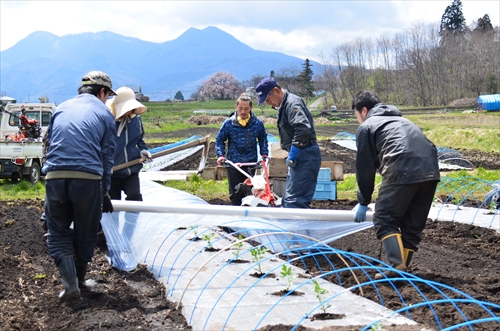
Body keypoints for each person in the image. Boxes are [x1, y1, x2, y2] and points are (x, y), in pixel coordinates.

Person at [43, 71, 117, 300]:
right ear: (102, 91)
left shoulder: (61, 108)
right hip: (87, 179)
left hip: (54, 176)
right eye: (107, 96)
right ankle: (81, 282)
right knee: (86, 231)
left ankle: (70, 284)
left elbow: (48, 143)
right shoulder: (104, 113)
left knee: (57, 231)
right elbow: (107, 157)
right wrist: (105, 191)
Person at [351, 90, 440, 279]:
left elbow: (365, 169)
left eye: (357, 115)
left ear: (364, 111)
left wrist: (363, 201)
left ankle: (396, 267)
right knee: (412, 225)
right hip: (431, 170)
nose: (358, 120)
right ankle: (402, 269)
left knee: (384, 218)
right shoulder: (403, 121)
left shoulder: (368, 126)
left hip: (402, 166)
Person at [255, 77, 321, 208]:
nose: (268, 103)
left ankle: (297, 228)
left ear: (276, 91)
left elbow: (302, 128)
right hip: (300, 154)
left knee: (295, 201)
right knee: (289, 199)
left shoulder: (292, 104)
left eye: (268, 99)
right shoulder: (284, 105)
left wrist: (295, 150)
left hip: (305, 154)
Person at [215, 93, 269, 205]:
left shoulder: (257, 123)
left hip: (251, 163)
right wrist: (221, 155)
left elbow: (263, 138)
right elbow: (220, 140)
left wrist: (264, 153)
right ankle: (236, 218)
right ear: (236, 107)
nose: (243, 112)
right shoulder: (229, 123)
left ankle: (249, 217)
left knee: (249, 192)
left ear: (251, 108)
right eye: (240, 108)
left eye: (246, 109)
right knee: (235, 194)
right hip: (234, 163)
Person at [106, 86, 151, 202]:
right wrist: (104, 165)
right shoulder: (107, 121)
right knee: (113, 205)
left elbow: (139, 139)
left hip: (131, 170)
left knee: (135, 197)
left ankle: (133, 220)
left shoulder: (135, 120)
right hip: (113, 172)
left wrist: (142, 150)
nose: (128, 112)